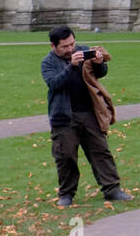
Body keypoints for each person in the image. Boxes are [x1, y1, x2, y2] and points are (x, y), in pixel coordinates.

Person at [41, 25, 132, 207]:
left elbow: (100, 74)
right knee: (65, 156)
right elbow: (54, 83)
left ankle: (112, 189)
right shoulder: (48, 63)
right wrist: (72, 66)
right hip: (64, 117)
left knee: (101, 151)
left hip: (89, 112)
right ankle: (66, 194)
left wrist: (99, 63)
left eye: (72, 44)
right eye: (65, 46)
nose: (70, 49)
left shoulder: (83, 51)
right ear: (53, 46)